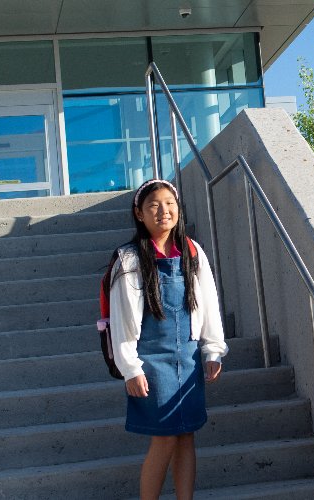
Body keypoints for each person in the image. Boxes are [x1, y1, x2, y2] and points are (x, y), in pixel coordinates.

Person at [108, 179, 228, 500]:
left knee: (186, 435)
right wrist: (130, 368)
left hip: (187, 360)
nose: (164, 211)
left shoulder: (192, 250)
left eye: (170, 204)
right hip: (152, 363)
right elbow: (121, 320)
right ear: (139, 213)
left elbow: (209, 302)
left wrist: (213, 350)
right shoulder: (130, 259)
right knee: (164, 439)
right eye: (154, 206)